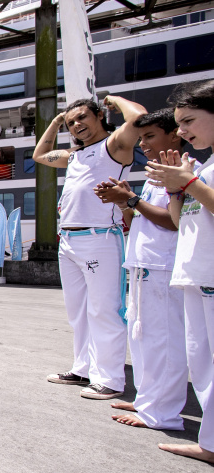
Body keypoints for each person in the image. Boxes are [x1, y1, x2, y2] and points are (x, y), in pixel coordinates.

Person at [38, 95, 147, 400]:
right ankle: (83, 368)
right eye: (71, 122)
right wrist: (56, 122)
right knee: (78, 312)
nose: (77, 125)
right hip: (68, 240)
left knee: (105, 310)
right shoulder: (74, 156)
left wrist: (114, 100)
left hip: (100, 238)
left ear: (99, 115)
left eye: (82, 117)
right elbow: (40, 154)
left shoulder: (114, 146)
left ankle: (110, 379)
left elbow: (139, 118)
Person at [94, 109, 187, 431]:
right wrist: (122, 202)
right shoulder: (154, 176)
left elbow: (172, 221)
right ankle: (148, 398)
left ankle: (162, 413)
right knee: (142, 337)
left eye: (150, 137)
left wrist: (131, 199)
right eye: (141, 138)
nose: (143, 144)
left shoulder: (182, 172)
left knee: (164, 341)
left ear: (174, 135)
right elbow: (138, 222)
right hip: (144, 265)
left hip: (163, 266)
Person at [145, 80, 214, 473]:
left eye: (189, 121)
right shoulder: (203, 168)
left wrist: (186, 182)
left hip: (209, 274)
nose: (183, 130)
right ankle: (211, 444)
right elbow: (178, 217)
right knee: (203, 366)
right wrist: (176, 186)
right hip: (195, 274)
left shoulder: (200, 173)